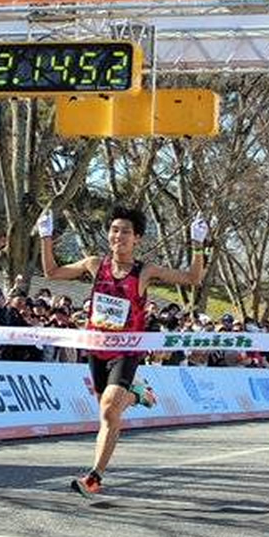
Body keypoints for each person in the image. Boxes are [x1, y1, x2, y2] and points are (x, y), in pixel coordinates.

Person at [38, 205, 208, 496]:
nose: (119, 236)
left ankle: (94, 477)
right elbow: (51, 272)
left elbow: (193, 278)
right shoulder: (95, 264)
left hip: (127, 351)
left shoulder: (145, 271)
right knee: (110, 412)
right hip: (96, 350)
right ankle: (136, 394)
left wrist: (198, 244)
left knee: (108, 410)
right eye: (114, 230)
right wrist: (45, 235)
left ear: (137, 238)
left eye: (126, 232)